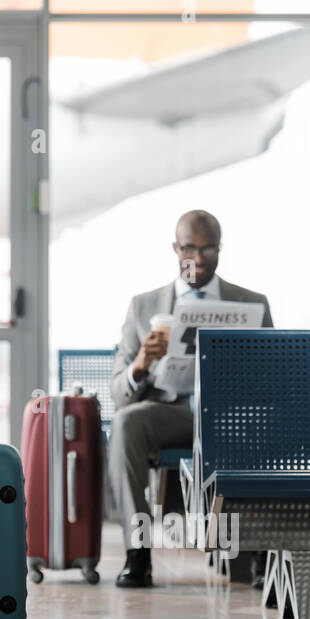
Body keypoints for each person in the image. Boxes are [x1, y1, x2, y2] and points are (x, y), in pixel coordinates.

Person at [108, 210, 272, 588]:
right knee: (127, 422)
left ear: (220, 250)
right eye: (189, 249)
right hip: (170, 413)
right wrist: (141, 363)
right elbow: (119, 391)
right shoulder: (144, 306)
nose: (197, 260)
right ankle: (138, 553)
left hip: (231, 417)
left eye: (207, 250)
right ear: (174, 249)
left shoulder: (252, 304)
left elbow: (271, 382)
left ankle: (263, 549)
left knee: (264, 421)